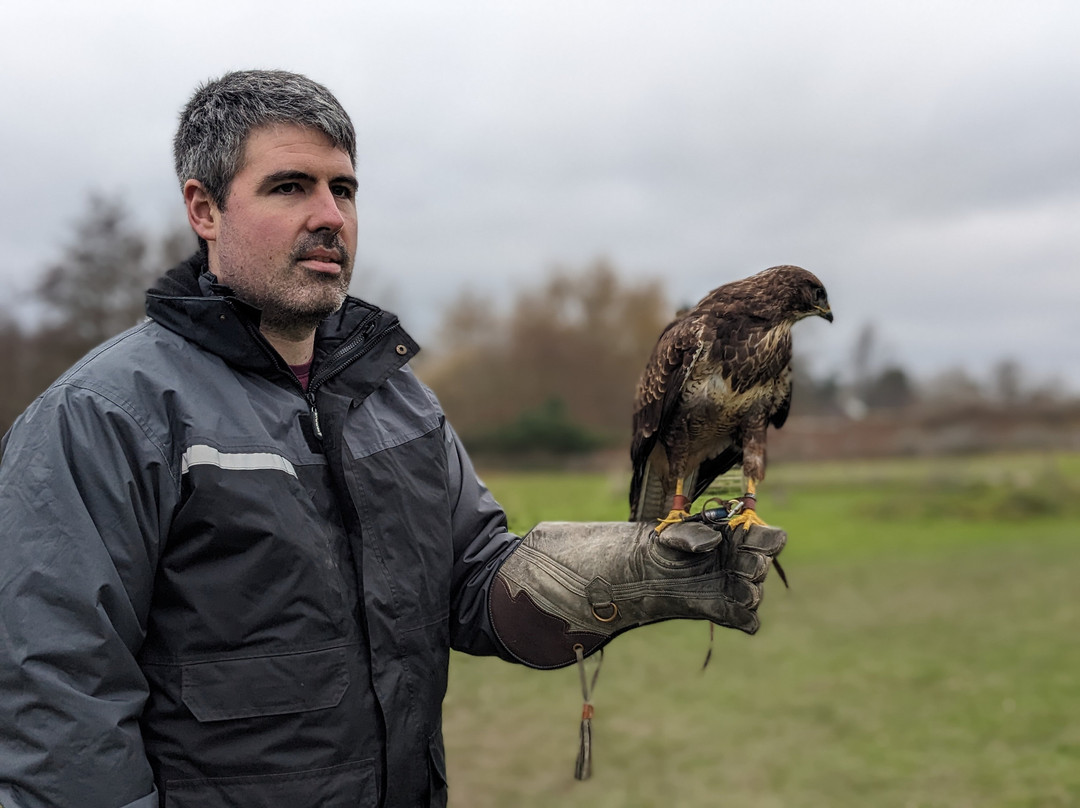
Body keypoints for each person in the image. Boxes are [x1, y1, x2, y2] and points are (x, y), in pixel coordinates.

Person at [0, 70, 785, 808]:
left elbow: (473, 583)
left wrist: (630, 575)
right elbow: (57, 698)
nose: (330, 215)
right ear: (203, 209)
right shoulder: (105, 416)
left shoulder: (397, 400)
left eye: (343, 188)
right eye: (289, 186)